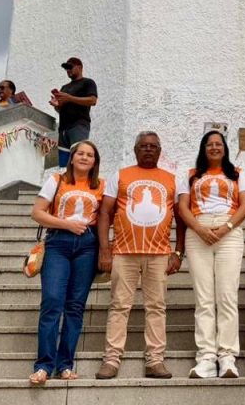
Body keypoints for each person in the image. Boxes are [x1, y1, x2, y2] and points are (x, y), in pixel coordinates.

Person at [96, 132, 187, 380]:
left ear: (160, 151)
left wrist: (178, 252)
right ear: (136, 150)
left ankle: (155, 361)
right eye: (143, 146)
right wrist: (105, 249)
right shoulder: (121, 175)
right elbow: (105, 212)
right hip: (124, 252)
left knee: (156, 307)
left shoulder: (172, 179)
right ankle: (111, 359)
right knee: (119, 305)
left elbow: (181, 219)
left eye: (153, 146)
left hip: (158, 254)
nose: (148, 150)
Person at [28, 141, 105, 385]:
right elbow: (37, 212)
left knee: (75, 306)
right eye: (80, 153)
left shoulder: (101, 185)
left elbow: (105, 217)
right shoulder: (56, 180)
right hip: (58, 243)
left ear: (95, 161)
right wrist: (67, 224)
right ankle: (44, 365)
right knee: (52, 302)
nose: (84, 157)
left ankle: (65, 365)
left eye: (89, 155)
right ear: (72, 158)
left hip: (87, 246)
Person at [176, 131, 245, 379]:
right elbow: (182, 207)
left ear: (225, 148)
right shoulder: (190, 175)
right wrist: (199, 229)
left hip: (228, 231)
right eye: (210, 144)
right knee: (204, 297)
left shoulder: (238, 173)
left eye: (219, 144)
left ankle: (227, 356)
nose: (214, 147)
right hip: (198, 231)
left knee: (227, 296)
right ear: (203, 148)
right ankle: (206, 356)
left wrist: (226, 228)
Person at [50, 57, 98, 153]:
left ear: (79, 68)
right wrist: (57, 105)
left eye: (70, 67)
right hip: (63, 129)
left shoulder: (88, 82)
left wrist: (69, 98)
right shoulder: (64, 87)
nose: (68, 70)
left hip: (78, 126)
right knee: (64, 164)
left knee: (78, 156)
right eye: (66, 68)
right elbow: (61, 109)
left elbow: (93, 100)